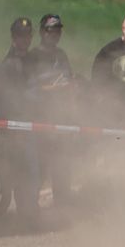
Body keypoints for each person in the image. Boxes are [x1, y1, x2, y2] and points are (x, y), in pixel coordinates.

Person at [27, 14, 76, 207]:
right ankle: (30, 210)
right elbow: (29, 88)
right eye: (50, 30)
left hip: (61, 118)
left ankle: (62, 208)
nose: (54, 34)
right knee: (39, 167)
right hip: (40, 118)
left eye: (57, 31)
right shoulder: (33, 57)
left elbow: (69, 81)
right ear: (41, 32)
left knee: (61, 166)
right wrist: (54, 89)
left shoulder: (62, 55)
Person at [0, 17, 40, 220]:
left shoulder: (33, 59)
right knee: (19, 169)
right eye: (20, 35)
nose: (24, 39)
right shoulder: (8, 64)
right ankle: (14, 211)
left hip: (32, 123)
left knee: (31, 169)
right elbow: (6, 98)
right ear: (13, 37)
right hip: (15, 125)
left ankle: (28, 210)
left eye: (27, 35)